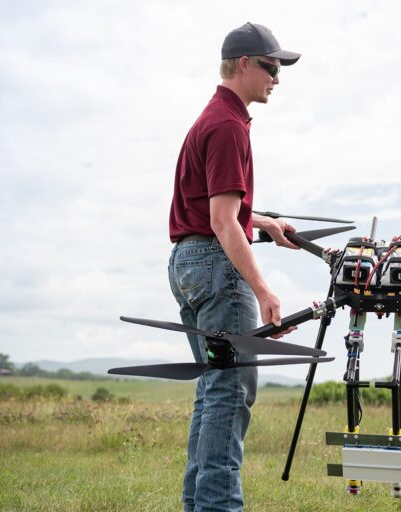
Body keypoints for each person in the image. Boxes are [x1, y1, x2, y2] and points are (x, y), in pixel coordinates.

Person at [167, 22, 300, 512]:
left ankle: (198, 504)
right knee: (230, 394)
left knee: (212, 390)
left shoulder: (215, 117)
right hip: (215, 266)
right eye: (271, 67)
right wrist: (263, 289)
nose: (277, 78)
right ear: (244, 64)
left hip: (187, 262)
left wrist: (262, 221)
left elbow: (218, 209)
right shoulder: (227, 125)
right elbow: (223, 223)